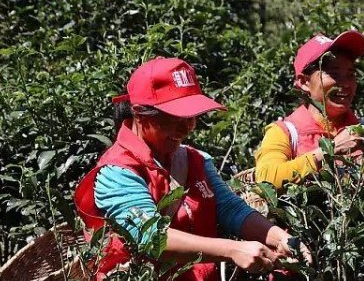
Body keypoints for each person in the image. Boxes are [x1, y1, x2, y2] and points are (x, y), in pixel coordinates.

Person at [74, 57, 311, 280]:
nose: (186, 127)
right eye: (174, 117)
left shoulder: (193, 160)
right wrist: (232, 249)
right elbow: (152, 237)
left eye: (191, 117)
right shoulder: (117, 173)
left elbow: (230, 209)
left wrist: (280, 236)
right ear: (140, 115)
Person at [254, 30, 364, 192]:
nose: (345, 84)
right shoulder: (284, 133)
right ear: (304, 82)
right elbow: (266, 180)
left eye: (350, 74)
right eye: (334, 74)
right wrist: (330, 150)